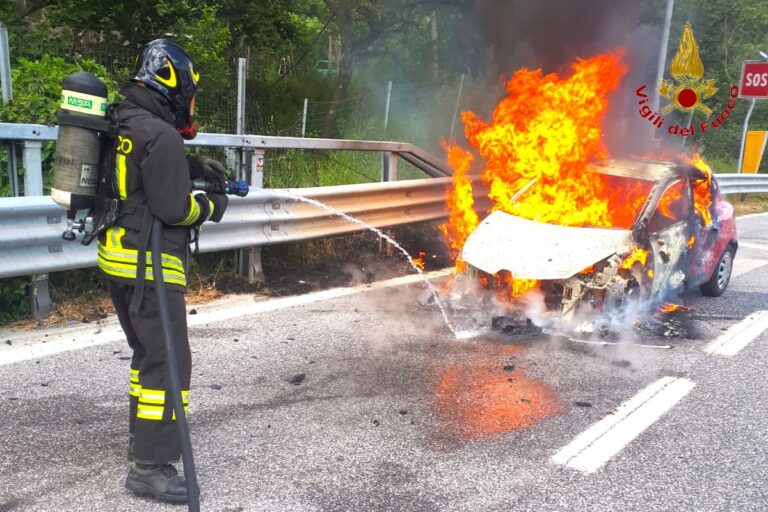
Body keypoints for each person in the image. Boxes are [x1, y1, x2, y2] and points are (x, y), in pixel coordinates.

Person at [97, 38, 228, 504]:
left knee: (146, 357)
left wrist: (191, 165)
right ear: (173, 86)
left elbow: (137, 174)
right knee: (168, 364)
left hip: (118, 260)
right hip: (150, 265)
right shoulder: (162, 134)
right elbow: (174, 208)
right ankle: (150, 469)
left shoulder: (124, 120)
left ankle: (143, 443)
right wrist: (211, 206)